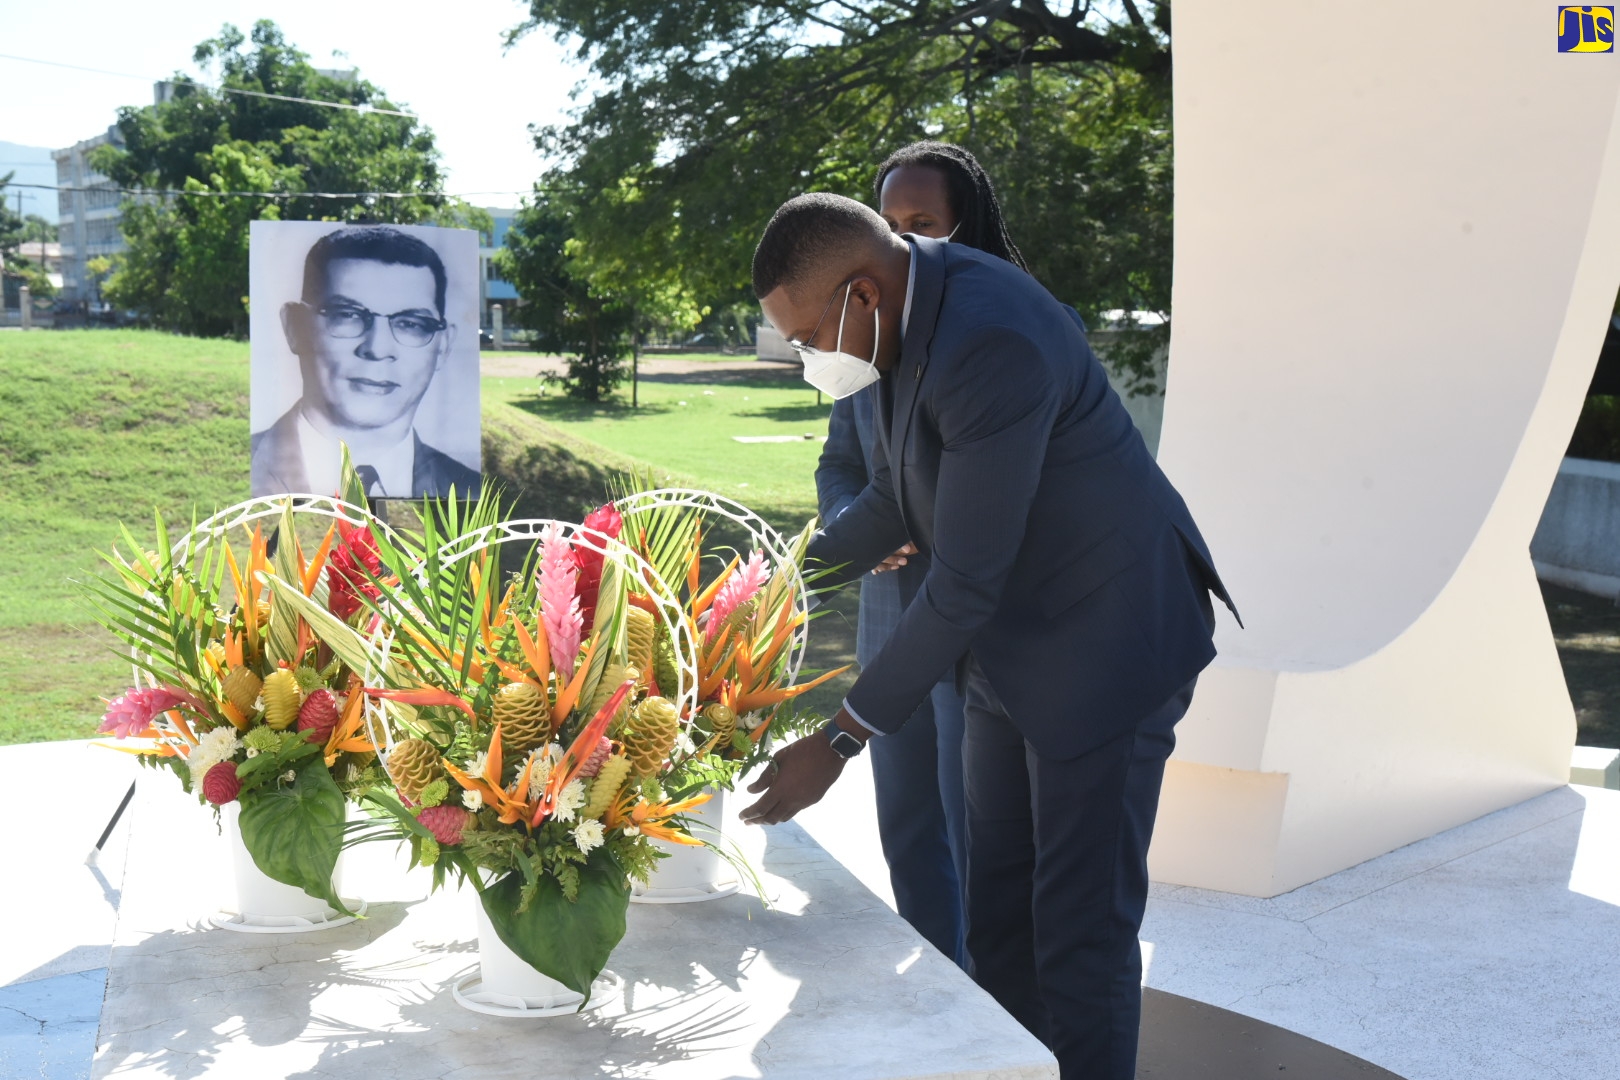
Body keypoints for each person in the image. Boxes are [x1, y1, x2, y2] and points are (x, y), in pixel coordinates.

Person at [742, 193, 1238, 1080]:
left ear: (860, 294)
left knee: (1078, 930)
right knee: (998, 914)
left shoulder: (989, 337)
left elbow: (964, 580)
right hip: (1008, 650)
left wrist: (839, 738)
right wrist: (769, 586)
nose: (810, 359)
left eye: (810, 338)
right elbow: (898, 496)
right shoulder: (897, 325)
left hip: (1109, 641)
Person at [814, 141, 1032, 969]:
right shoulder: (862, 336)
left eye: (925, 223)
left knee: (979, 838)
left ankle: (991, 999)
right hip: (888, 624)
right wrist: (849, 521)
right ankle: (937, 987)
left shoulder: (1008, 338)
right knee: (907, 827)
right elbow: (840, 465)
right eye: (890, 225)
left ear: (965, 228)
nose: (905, 241)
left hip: (980, 637)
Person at [252, 225, 480, 499]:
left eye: (411, 323)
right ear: (295, 327)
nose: (377, 348)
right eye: (347, 314)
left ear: (443, 346)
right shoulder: (248, 468)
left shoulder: (469, 489)